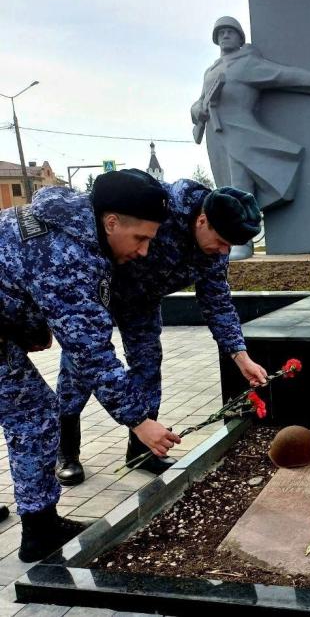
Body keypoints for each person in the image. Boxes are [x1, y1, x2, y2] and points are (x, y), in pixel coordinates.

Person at [0, 169, 180, 562]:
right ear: (111, 221)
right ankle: (39, 530)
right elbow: (91, 350)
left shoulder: (69, 226)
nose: (145, 251)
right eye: (141, 238)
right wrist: (139, 420)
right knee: (32, 414)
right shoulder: (69, 253)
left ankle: (40, 523)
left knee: (28, 410)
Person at [56, 179, 268, 485]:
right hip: (95, 291)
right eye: (222, 241)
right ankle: (66, 450)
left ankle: (142, 450)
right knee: (81, 367)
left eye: (229, 246)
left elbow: (217, 303)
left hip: (141, 302)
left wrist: (240, 356)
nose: (223, 251)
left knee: (148, 363)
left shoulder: (215, 250)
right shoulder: (158, 208)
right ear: (202, 219)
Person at [191, 16, 310, 211]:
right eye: (221, 33)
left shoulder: (246, 63)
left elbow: (282, 75)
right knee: (224, 188)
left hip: (240, 132)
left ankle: (242, 240)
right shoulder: (210, 71)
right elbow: (200, 100)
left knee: (240, 188)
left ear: (241, 39)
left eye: (230, 32)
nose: (225, 36)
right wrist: (197, 109)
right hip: (214, 136)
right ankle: (235, 238)